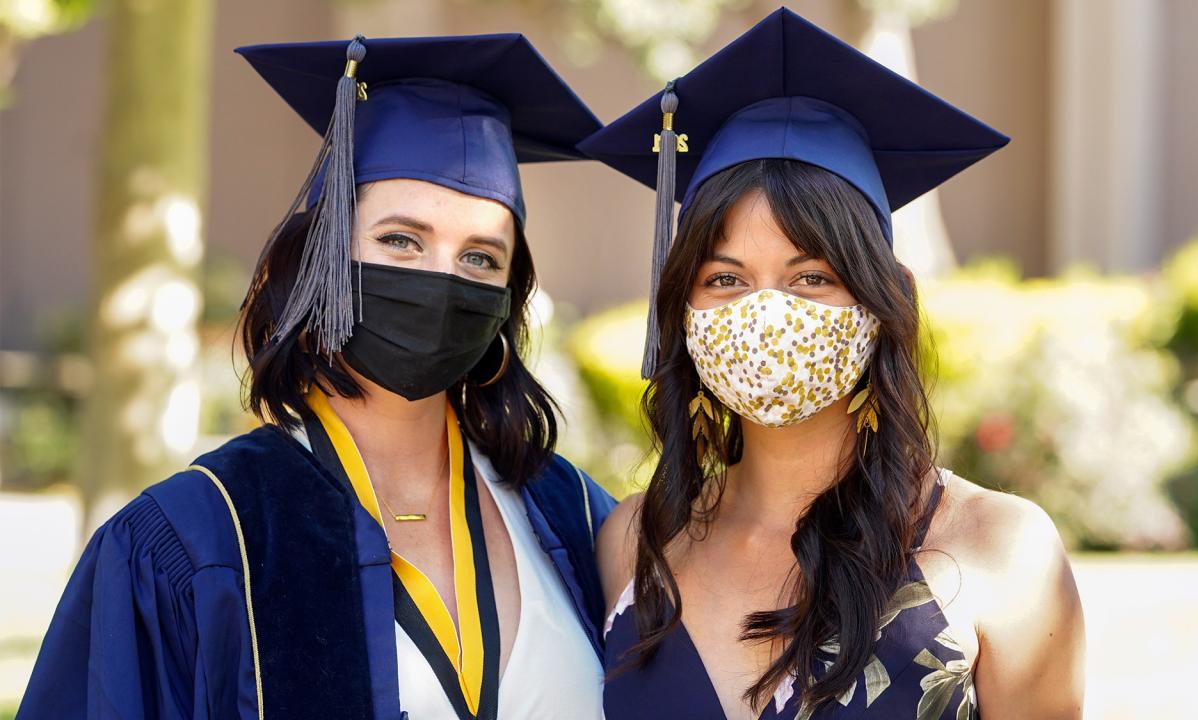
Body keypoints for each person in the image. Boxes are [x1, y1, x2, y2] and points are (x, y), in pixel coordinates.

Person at [19, 33, 614, 720]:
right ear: (321, 258)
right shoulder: (200, 536)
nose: (443, 282)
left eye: (481, 258)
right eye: (400, 240)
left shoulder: (569, 515)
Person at [581, 8, 1085, 720]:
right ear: (682, 311)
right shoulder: (634, 544)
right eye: (725, 279)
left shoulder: (999, 548)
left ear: (884, 300)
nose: (767, 313)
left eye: (811, 277)